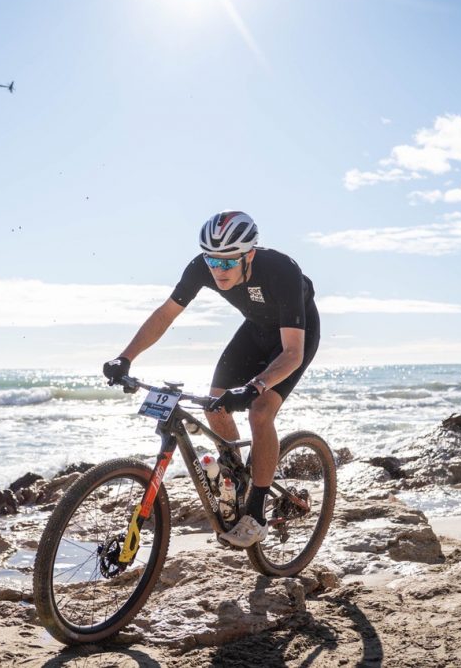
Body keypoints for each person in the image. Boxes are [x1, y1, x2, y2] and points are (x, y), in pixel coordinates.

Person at [103, 211, 320, 548]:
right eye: (212, 260)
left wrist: (253, 387)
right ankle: (236, 477)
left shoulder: (281, 270)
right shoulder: (201, 268)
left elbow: (292, 354)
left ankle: (256, 513)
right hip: (255, 330)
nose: (218, 270)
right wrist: (125, 357)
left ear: (249, 255)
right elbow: (165, 315)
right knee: (214, 406)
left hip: (293, 337)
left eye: (227, 262)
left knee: (260, 411)